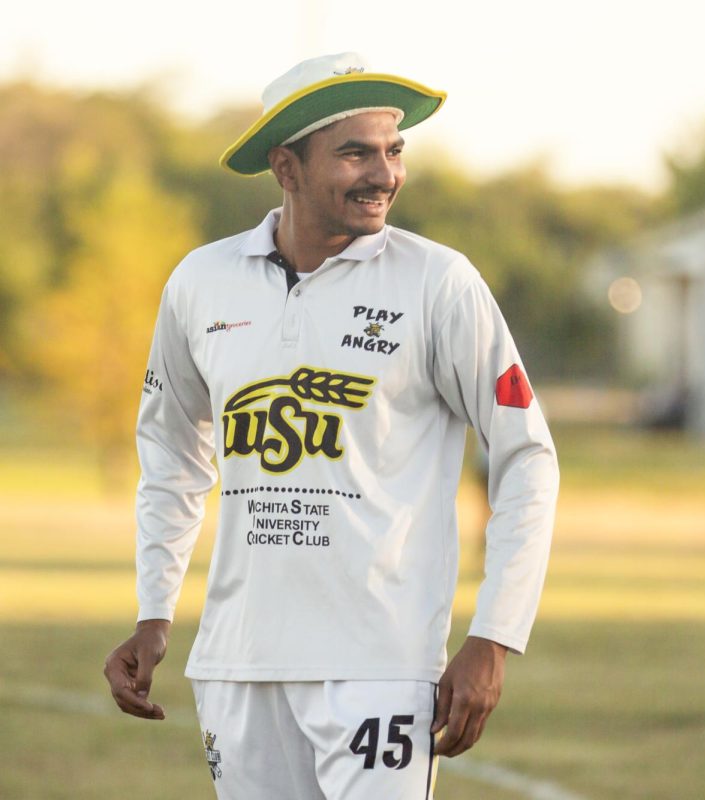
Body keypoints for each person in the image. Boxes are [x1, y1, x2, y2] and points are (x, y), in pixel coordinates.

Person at [102, 52, 559, 799]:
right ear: (286, 166)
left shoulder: (440, 283)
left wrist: (494, 637)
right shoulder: (199, 282)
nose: (384, 173)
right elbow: (172, 454)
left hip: (379, 664)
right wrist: (155, 612)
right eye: (355, 152)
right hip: (238, 664)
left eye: (394, 150)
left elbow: (527, 457)